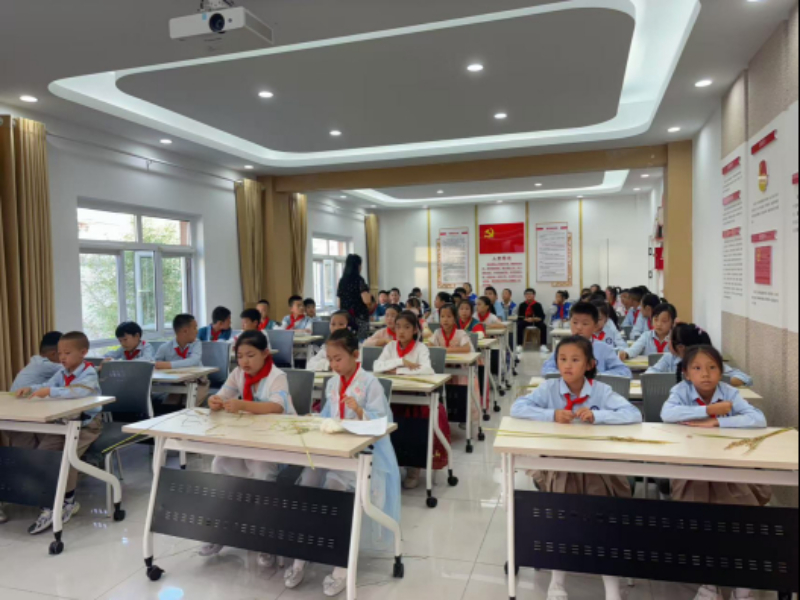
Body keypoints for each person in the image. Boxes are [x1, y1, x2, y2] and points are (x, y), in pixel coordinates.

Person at [512, 335, 641, 600]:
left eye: (575, 360)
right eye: (562, 359)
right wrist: (551, 414)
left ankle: (611, 589)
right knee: (562, 516)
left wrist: (598, 415)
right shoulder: (550, 389)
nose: (567, 365)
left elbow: (633, 414)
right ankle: (557, 581)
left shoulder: (600, 391)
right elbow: (517, 407)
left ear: (590, 364)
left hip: (596, 467)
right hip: (559, 467)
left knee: (602, 521)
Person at [284, 329, 401, 596]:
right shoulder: (332, 384)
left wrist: (359, 411)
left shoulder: (370, 384)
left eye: (338, 359)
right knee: (307, 485)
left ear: (355, 355)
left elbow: (381, 423)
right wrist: (316, 420)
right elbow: (329, 414)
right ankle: (301, 554)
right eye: (330, 359)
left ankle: (341, 564)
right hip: (334, 449)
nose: (333, 365)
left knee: (335, 493)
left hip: (363, 452)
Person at [661, 345, 769, 600]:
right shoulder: (681, 391)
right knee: (700, 524)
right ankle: (709, 581)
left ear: (721, 371)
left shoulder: (729, 392)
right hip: (693, 471)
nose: (705, 374)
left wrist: (719, 421)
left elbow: (758, 419)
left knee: (739, 522)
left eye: (712, 368)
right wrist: (708, 410)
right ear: (687, 373)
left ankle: (742, 581)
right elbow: (667, 413)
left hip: (729, 468)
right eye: (697, 368)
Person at [200, 330, 296, 566]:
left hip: (275, 443)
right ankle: (222, 529)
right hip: (246, 439)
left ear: (265, 353)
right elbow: (222, 395)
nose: (244, 361)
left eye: (250, 355)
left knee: (262, 471)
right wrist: (214, 401)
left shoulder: (277, 376)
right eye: (240, 356)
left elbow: (277, 407)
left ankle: (265, 539)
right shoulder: (238, 374)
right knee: (220, 463)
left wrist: (243, 405)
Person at [9, 332, 103, 534]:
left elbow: (78, 392)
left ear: (83, 352)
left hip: (87, 424)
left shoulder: (89, 373)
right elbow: (47, 386)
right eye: (60, 353)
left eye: (67, 353)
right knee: (45, 453)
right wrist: (30, 389)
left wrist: (50, 392)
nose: (62, 357)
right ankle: (48, 499)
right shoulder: (62, 372)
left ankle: (68, 502)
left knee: (66, 457)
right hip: (63, 422)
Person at [542, 302, 632, 378]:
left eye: (585, 324)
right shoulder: (563, 347)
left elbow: (624, 372)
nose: (579, 327)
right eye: (575, 322)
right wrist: (568, 375)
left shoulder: (603, 349)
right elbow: (546, 369)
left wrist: (597, 376)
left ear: (595, 326)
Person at [645, 324, 753, 387]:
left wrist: (714, 381)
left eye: (669, 339)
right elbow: (648, 375)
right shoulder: (669, 358)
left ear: (680, 347)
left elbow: (745, 378)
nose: (667, 342)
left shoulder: (707, 361)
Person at [374, 311, 435, 376]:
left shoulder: (421, 347)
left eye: (407, 327)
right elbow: (377, 366)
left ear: (415, 330)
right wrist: (401, 361)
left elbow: (427, 369)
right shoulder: (391, 346)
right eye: (398, 327)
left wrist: (398, 371)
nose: (401, 331)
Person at [337, 254, 372, 340]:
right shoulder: (359, 280)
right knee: (360, 341)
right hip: (359, 317)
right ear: (358, 266)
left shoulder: (342, 281)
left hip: (346, 317)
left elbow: (339, 304)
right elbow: (366, 300)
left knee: (347, 341)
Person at [517, 288, 548, 352]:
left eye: (530, 294)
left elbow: (542, 316)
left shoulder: (538, 305)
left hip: (535, 321)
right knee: (519, 325)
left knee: (543, 326)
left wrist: (535, 319)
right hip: (526, 321)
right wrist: (525, 319)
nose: (529, 295)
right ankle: (519, 345)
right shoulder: (522, 305)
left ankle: (543, 345)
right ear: (525, 296)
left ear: (534, 295)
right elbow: (520, 316)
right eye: (527, 294)